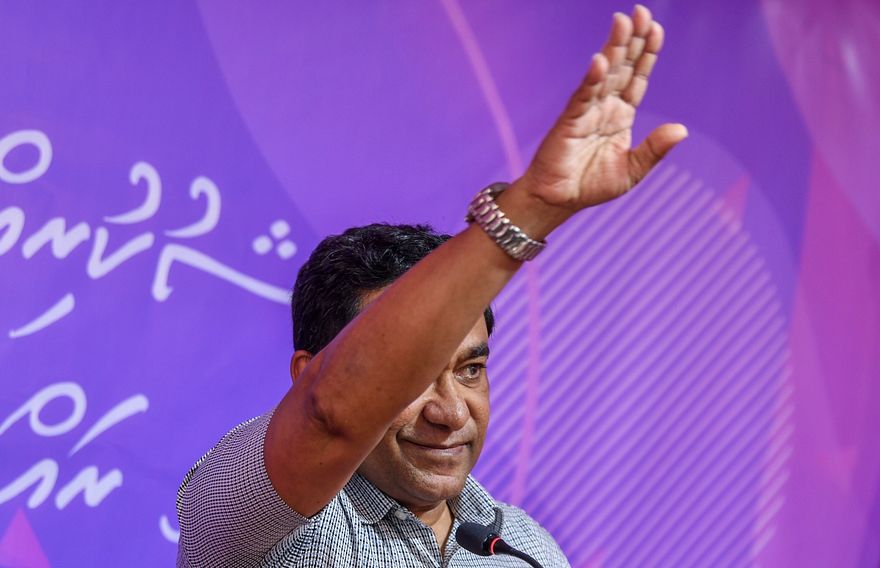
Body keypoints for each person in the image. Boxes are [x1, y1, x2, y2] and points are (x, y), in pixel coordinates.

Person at [176, 5, 687, 567]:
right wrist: (531, 209)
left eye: (470, 370)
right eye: (414, 375)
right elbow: (330, 414)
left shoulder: (525, 549)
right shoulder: (250, 518)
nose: (451, 413)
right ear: (306, 372)